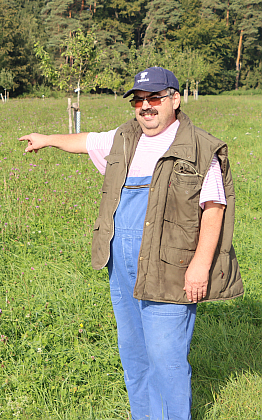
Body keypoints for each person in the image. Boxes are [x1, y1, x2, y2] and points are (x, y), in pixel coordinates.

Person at [18, 67, 243, 420]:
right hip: (120, 266)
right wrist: (47, 138)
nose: (146, 106)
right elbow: (87, 140)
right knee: (135, 355)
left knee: (166, 359)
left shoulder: (199, 147)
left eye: (154, 98)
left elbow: (214, 210)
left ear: (175, 99)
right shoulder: (125, 138)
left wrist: (200, 266)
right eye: (139, 100)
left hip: (171, 268)